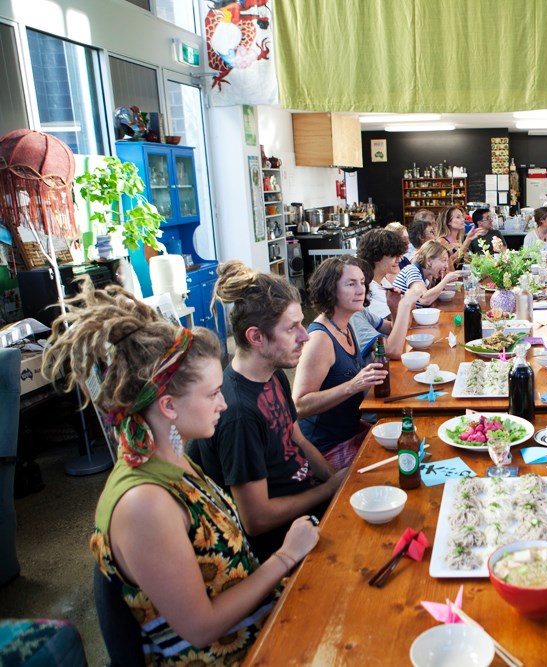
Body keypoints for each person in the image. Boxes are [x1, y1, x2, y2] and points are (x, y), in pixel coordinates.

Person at [42, 281, 320, 664]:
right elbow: (201, 628)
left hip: (258, 623)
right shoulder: (144, 504)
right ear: (169, 406)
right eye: (212, 394)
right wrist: (287, 556)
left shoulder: (172, 456)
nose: (223, 403)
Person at [189, 261, 340, 560]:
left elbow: (297, 439)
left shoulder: (273, 372)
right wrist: (329, 490)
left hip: (309, 503)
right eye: (291, 328)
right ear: (256, 337)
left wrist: (337, 481)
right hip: (282, 542)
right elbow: (256, 520)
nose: (305, 336)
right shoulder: (238, 414)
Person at [292, 257, 389, 472]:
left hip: (351, 433)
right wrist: (352, 385)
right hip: (327, 449)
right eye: (350, 283)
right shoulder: (320, 339)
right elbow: (298, 406)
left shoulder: (345, 325)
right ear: (330, 290)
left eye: (362, 282)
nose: (360, 289)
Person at [392, 239, 462, 306]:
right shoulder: (412, 270)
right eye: (443, 260)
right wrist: (445, 280)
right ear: (428, 260)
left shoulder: (426, 275)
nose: (446, 266)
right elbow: (425, 300)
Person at [356, 228, 407, 319]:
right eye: (394, 255)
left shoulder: (382, 280)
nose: (399, 260)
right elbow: (399, 320)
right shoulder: (368, 289)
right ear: (377, 255)